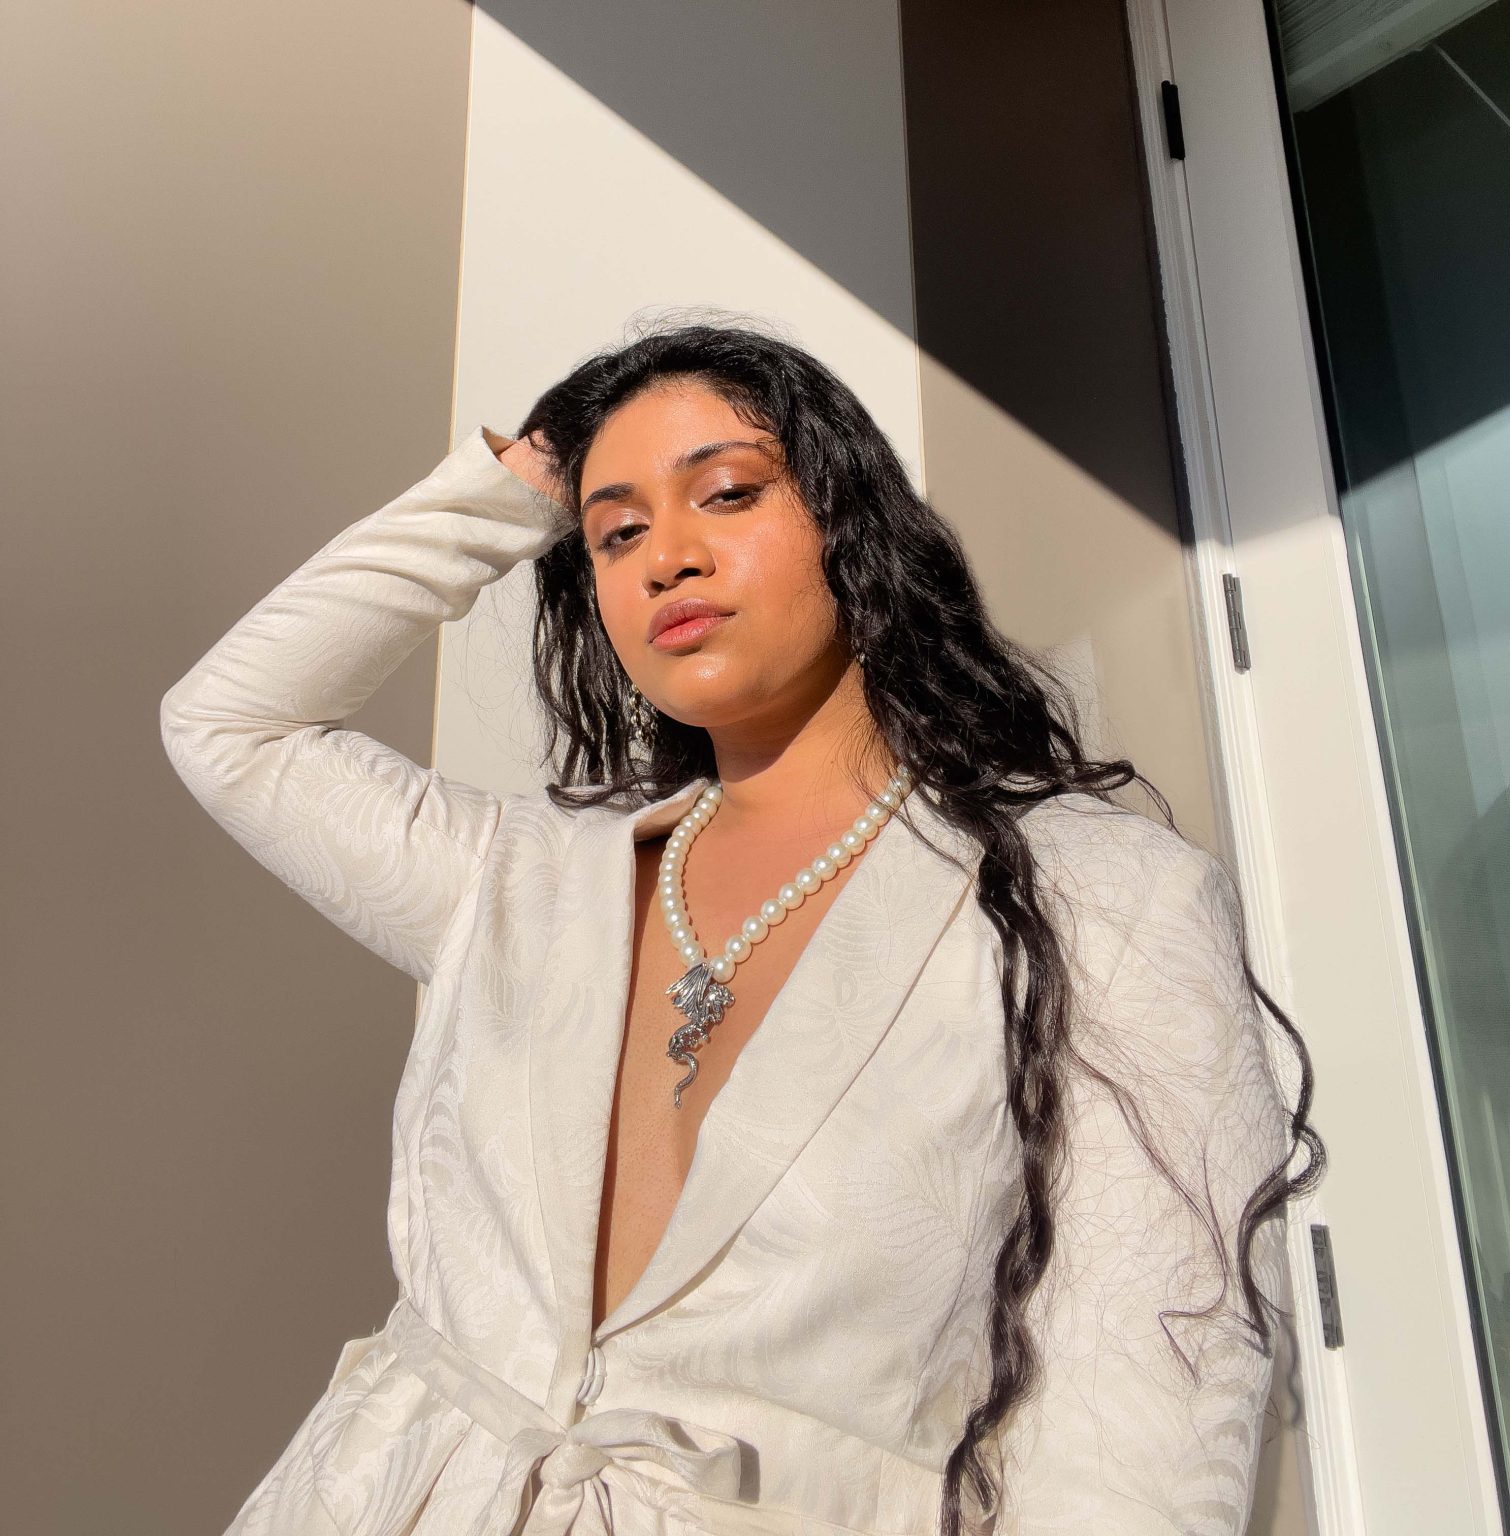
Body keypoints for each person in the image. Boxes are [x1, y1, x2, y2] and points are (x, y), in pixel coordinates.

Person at [160, 318, 1324, 1536]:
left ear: (851, 522)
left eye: (725, 494)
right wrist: (520, 483)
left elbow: (1151, 1412)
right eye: (616, 532)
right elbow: (230, 725)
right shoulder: (516, 880)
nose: (666, 558)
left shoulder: (1102, 899)